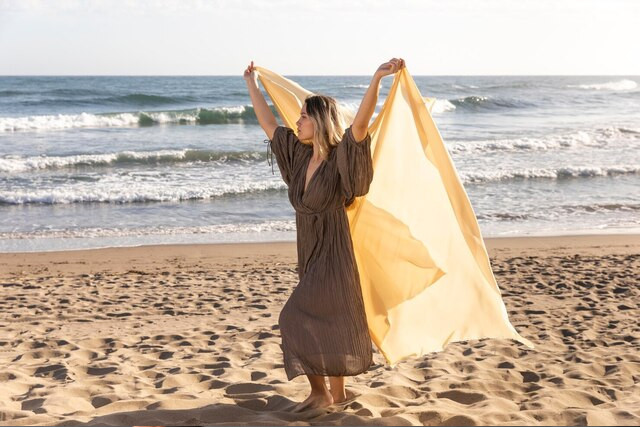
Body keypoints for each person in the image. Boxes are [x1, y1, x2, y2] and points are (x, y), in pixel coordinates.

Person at [243, 58, 405, 412]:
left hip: (334, 251)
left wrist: (377, 78)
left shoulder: (339, 159)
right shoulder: (299, 157)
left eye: (303, 116)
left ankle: (319, 393)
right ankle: (339, 395)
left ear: (319, 121)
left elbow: (360, 127)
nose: (297, 121)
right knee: (329, 319)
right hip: (309, 249)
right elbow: (268, 123)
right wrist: (251, 84)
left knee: (294, 317)